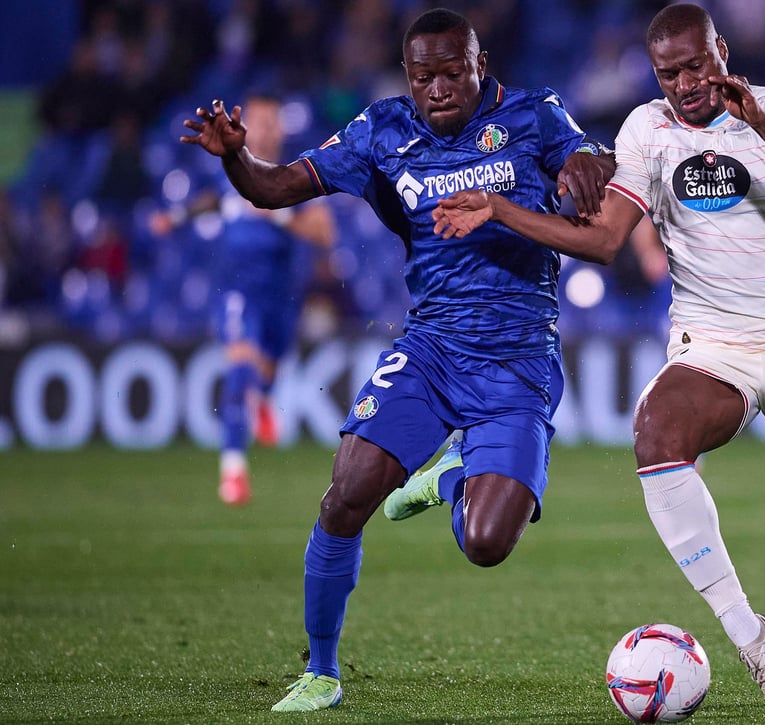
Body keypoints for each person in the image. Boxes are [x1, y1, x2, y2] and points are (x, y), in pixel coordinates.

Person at [431, 4, 765, 715]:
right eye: (668, 73)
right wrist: (500, 208)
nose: (684, 84)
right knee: (654, 434)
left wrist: (756, 119)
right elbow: (607, 239)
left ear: (721, 54)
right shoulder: (647, 129)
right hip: (713, 345)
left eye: (695, 67)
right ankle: (751, 635)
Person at [180, 9, 614, 712]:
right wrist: (235, 157)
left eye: (453, 73)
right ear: (407, 77)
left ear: (480, 66)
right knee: (345, 495)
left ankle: (451, 479)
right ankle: (321, 670)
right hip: (431, 348)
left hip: (517, 360)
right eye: (424, 77)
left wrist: (588, 165)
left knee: (487, 542)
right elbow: (275, 188)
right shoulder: (382, 130)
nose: (439, 88)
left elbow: (583, 162)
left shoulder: (535, 116)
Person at [157, 93, 336, 506]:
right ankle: (233, 469)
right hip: (237, 291)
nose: (265, 128)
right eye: (258, 120)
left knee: (267, 369)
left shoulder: (297, 175)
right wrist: (177, 217)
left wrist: (275, 211)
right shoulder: (232, 173)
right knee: (240, 367)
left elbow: (326, 234)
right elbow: (213, 200)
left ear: (283, 129)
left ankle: (263, 397)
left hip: (280, 296)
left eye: (272, 121)